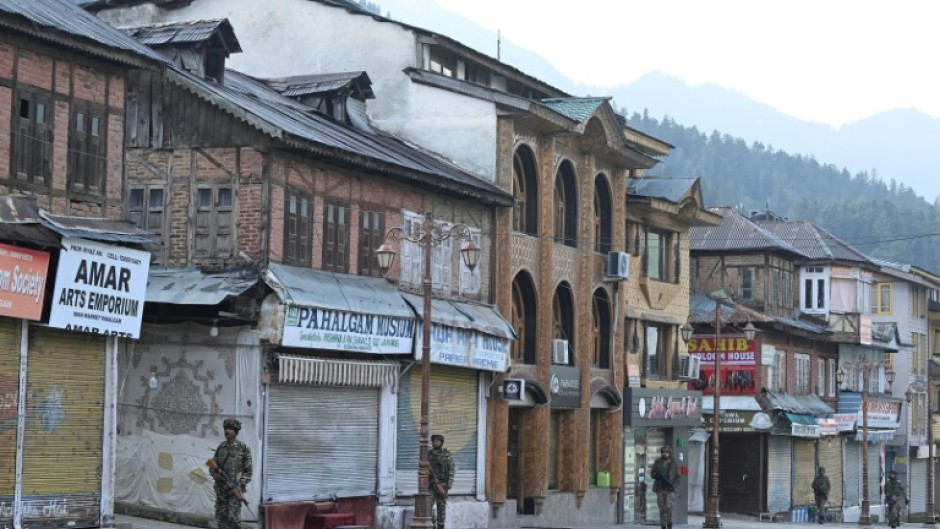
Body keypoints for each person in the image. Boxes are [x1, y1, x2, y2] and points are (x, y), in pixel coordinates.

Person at [211, 418, 253, 529]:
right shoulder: (221, 447)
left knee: (233, 519)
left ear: (236, 431)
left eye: (230, 429)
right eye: (225, 428)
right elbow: (213, 465)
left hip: (235, 490)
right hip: (221, 490)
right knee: (221, 519)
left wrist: (240, 484)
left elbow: (248, 472)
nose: (227, 431)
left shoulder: (243, 448)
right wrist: (214, 475)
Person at [428, 434, 455, 529]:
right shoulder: (428, 455)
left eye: (437, 441)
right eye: (434, 441)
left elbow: (451, 469)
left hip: (443, 485)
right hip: (431, 486)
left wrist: (449, 483)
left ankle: (440, 526)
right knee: (428, 507)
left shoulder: (447, 455)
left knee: (441, 508)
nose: (435, 443)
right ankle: (431, 524)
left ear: (441, 442)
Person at [651, 445, 680, 529]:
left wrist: (673, 485)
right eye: (663, 452)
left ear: (669, 453)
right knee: (661, 508)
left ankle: (669, 524)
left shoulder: (674, 463)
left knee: (669, 507)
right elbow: (652, 474)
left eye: (666, 452)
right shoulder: (658, 462)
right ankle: (663, 525)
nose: (665, 454)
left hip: (670, 490)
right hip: (660, 489)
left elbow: (678, 476)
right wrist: (657, 476)